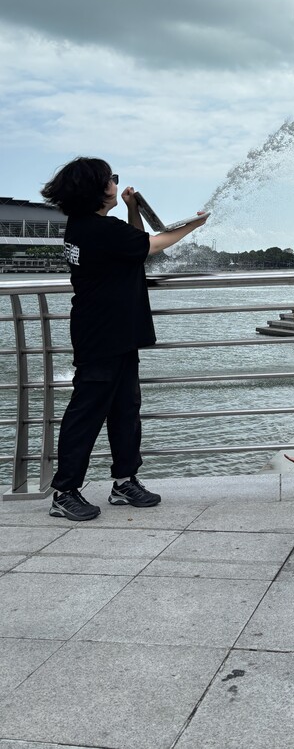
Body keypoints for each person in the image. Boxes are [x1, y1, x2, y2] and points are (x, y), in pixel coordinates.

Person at [41, 156, 210, 522]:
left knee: (125, 410)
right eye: (112, 178)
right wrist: (194, 225)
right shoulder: (100, 230)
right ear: (98, 189)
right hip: (102, 335)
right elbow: (151, 246)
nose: (116, 183)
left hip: (113, 332)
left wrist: (134, 209)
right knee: (86, 414)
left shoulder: (83, 226)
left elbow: (133, 247)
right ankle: (64, 492)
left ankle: (124, 481)